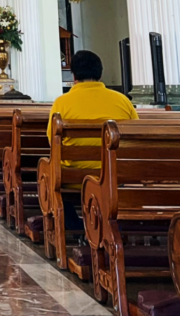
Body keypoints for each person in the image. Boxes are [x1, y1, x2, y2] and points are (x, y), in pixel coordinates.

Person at [47, 50, 137, 230]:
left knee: (46, 173)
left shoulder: (62, 103)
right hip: (116, 176)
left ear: (74, 75)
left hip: (76, 177)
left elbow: (52, 142)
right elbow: (135, 137)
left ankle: (74, 226)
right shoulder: (122, 100)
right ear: (100, 73)